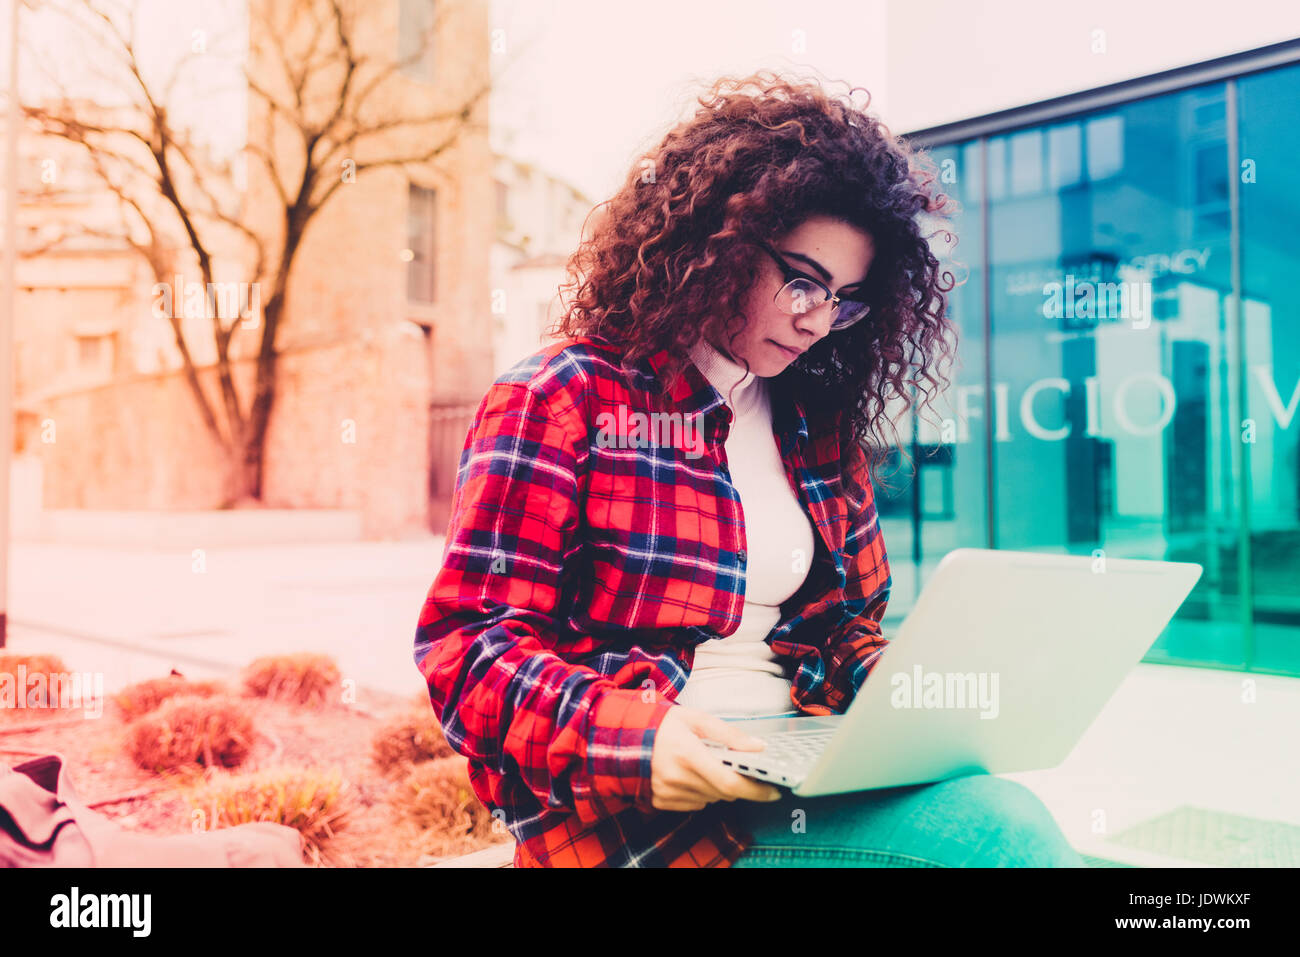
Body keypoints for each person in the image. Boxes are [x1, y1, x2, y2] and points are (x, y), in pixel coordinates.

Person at [414, 71, 1084, 868]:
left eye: (846, 298)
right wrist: (638, 737)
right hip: (648, 813)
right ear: (716, 246)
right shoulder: (562, 397)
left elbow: (838, 632)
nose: (818, 318)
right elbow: (470, 650)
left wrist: (909, 697)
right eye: (802, 279)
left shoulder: (817, 428)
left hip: (805, 770)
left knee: (1002, 811)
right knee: (1002, 839)